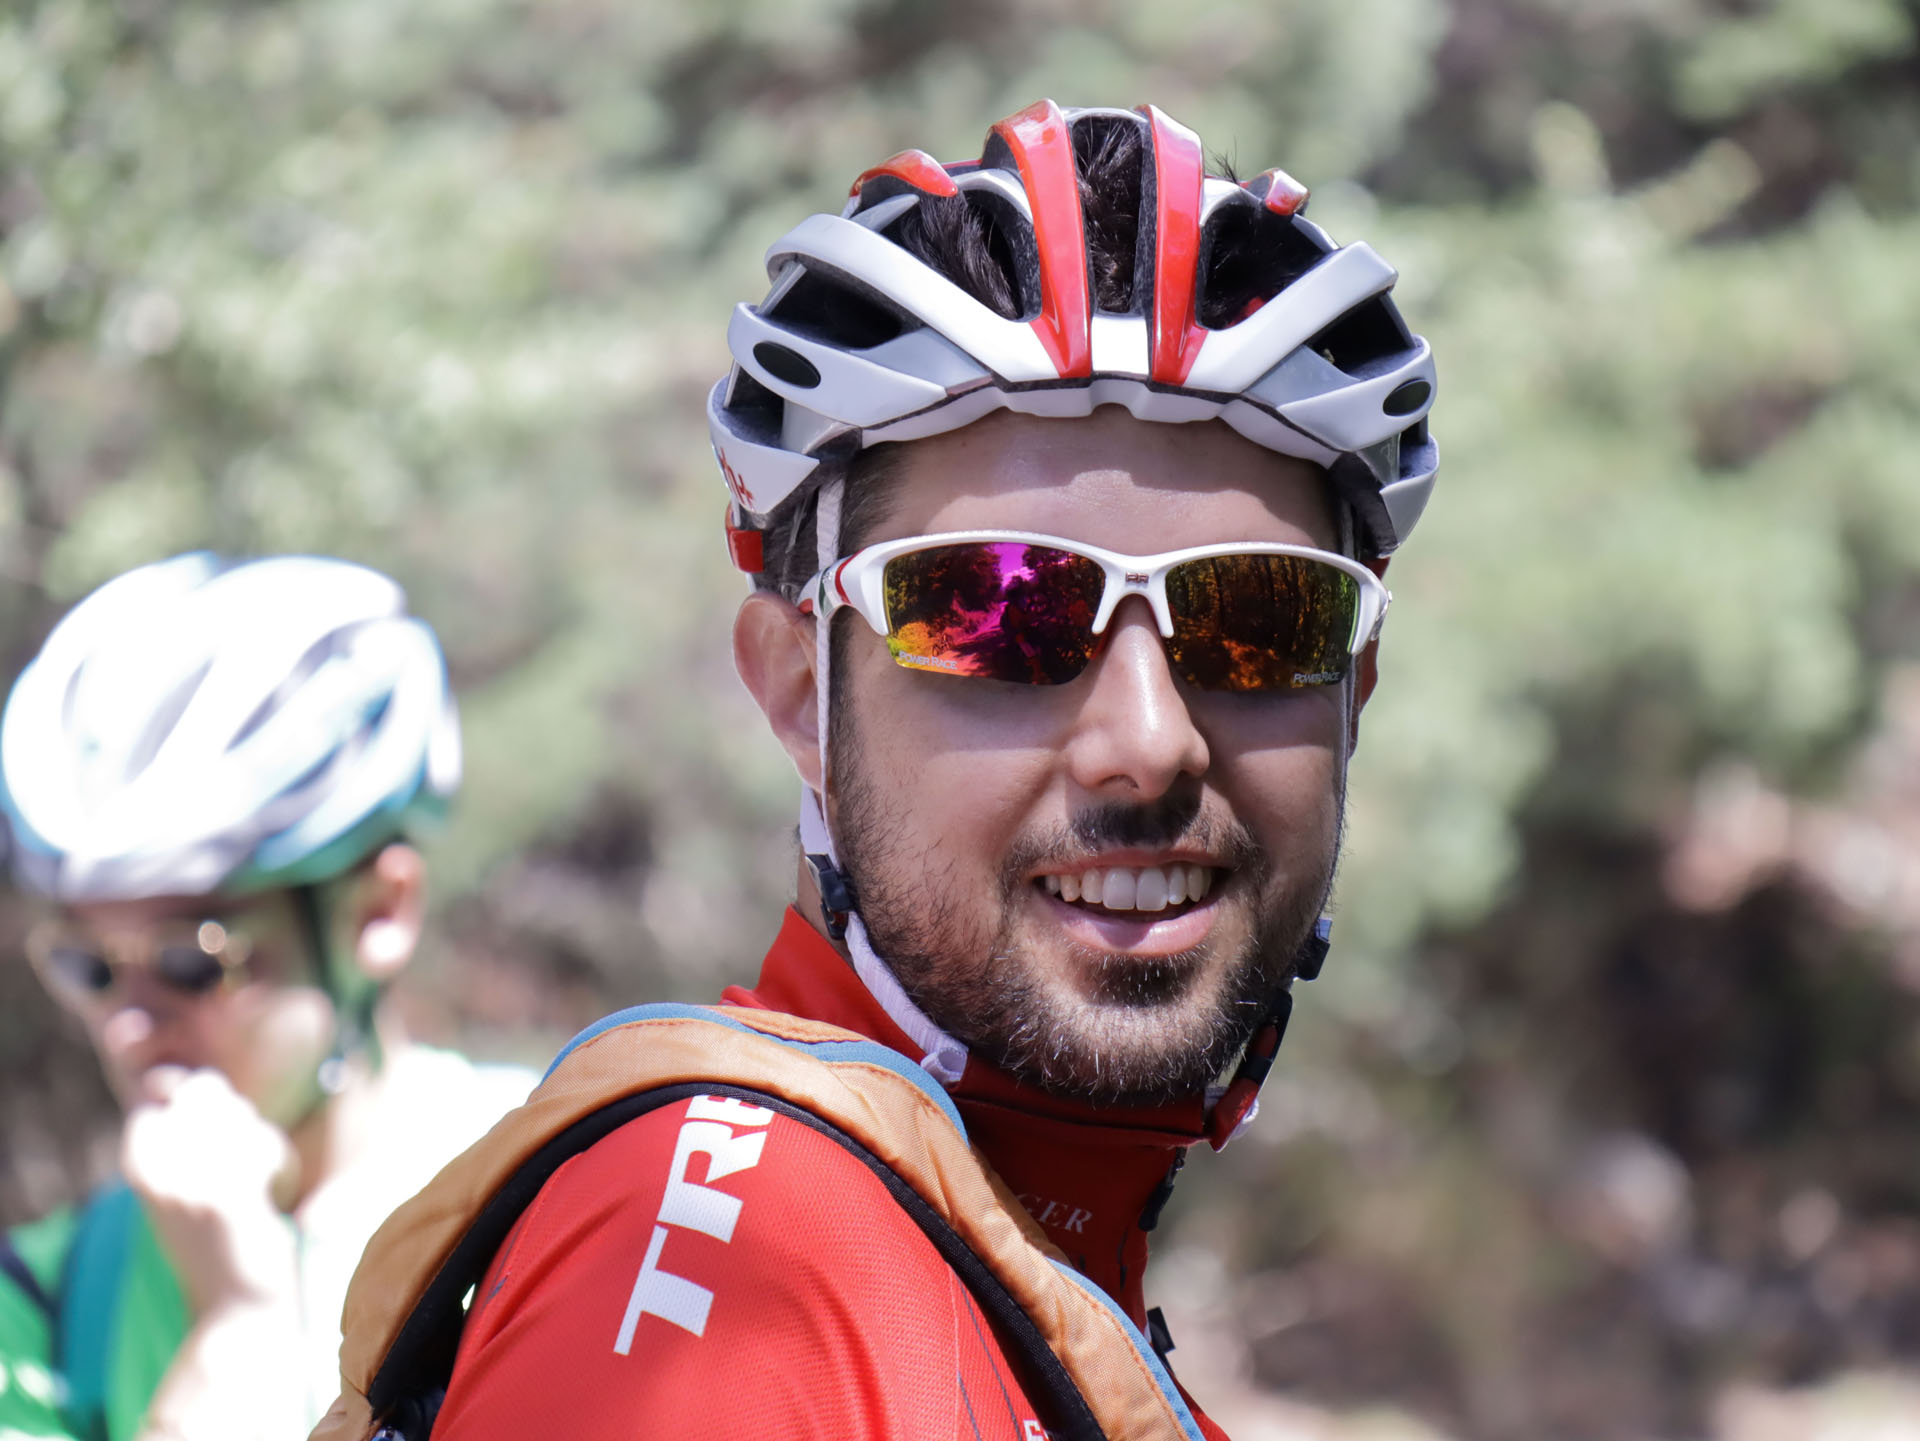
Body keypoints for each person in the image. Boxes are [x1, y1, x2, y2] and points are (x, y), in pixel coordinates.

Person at [320, 99, 1438, 1440]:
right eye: (997, 610)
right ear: (802, 691)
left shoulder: (1013, 1282)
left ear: (1354, 686)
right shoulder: (750, 1264)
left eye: (1262, 617)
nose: (1150, 741)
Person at [0, 553, 534, 1441]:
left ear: (378, 912)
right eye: (88, 965)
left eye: (190, 957)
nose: (127, 1023)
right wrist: (234, 1321)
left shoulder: (568, 1192)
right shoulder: (41, 1306)